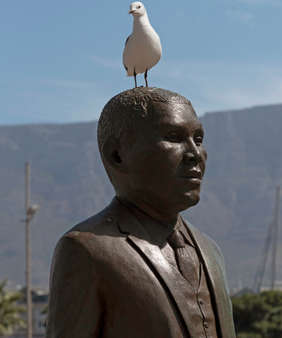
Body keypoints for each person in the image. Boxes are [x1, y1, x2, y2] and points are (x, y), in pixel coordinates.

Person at [46, 87, 236, 338]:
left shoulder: (211, 252)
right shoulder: (86, 250)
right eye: (174, 137)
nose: (194, 154)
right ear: (117, 155)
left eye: (198, 140)